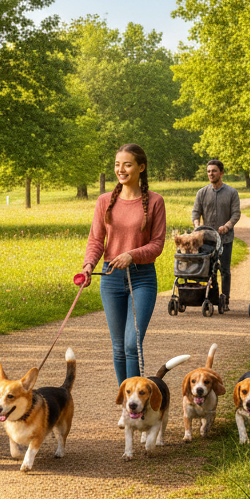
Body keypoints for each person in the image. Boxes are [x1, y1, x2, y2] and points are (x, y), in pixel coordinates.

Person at [80, 143, 167, 385]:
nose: (121, 169)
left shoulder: (155, 202)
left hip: (142, 278)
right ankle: (127, 404)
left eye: (127, 164)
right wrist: (88, 265)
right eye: (118, 165)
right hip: (110, 278)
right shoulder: (104, 201)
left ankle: (136, 402)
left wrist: (132, 254)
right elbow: (96, 240)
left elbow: (157, 244)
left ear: (141, 167)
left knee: (132, 343)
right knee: (118, 347)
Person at [190, 159, 240, 309]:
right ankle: (213, 297)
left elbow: (236, 214)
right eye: (209, 171)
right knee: (209, 269)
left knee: (224, 269)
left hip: (225, 238)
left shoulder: (232, 192)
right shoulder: (202, 193)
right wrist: (197, 226)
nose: (211, 174)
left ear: (221, 173)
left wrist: (227, 225)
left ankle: (225, 299)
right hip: (206, 240)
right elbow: (195, 213)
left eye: (214, 171)